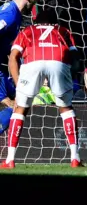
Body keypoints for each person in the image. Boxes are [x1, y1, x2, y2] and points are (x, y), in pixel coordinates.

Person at [2, 9, 82, 168]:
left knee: (20, 109)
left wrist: (18, 84)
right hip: (58, 62)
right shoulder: (63, 30)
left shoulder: (27, 30)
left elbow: (13, 57)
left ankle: (10, 159)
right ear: (55, 22)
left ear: (36, 21)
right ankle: (75, 158)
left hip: (33, 62)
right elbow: (76, 58)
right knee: (66, 108)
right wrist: (69, 76)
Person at [0, 0, 39, 136]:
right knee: (16, 104)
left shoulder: (13, 12)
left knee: (22, 101)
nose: (36, 3)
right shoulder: (10, 15)